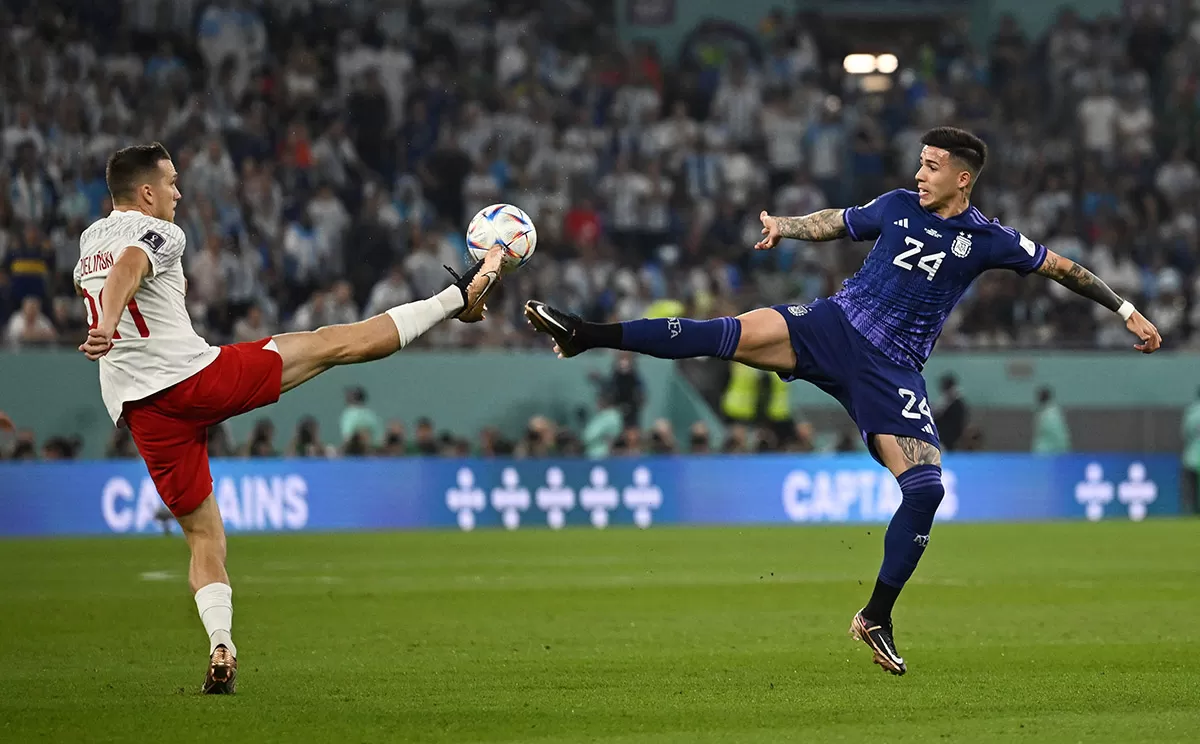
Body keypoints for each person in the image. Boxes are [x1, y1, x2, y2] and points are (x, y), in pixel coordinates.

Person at [525, 126, 1161, 675]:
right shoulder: (896, 204)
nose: (919, 173)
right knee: (721, 334)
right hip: (830, 326)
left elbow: (1063, 268)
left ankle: (876, 616)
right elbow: (838, 222)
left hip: (891, 370)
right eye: (920, 162)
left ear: (962, 180)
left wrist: (1126, 309)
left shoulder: (990, 239)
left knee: (927, 488)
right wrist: (785, 227)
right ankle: (584, 334)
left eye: (932, 167)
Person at [74, 142, 504, 694]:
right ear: (148, 191)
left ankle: (221, 644)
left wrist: (107, 326)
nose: (180, 193)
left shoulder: (89, 239)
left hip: (142, 412)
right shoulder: (165, 233)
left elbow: (114, 270)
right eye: (173, 182)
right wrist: (109, 322)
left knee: (204, 538)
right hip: (191, 381)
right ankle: (457, 297)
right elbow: (131, 268)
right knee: (330, 345)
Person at [933, 373, 969, 450]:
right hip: (948, 435)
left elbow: (938, 415)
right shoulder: (950, 400)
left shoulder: (952, 402)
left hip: (948, 436)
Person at [1032, 387, 1071, 454]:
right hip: (1046, 450)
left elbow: (1058, 435)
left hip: (1050, 451)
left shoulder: (1050, 414)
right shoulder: (1046, 412)